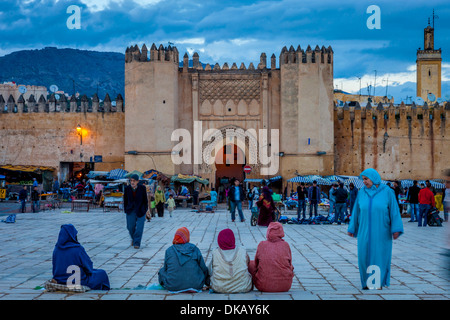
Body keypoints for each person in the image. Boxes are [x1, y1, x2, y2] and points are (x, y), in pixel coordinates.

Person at [347, 168, 404, 290]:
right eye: (363, 179)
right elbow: (356, 211)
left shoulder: (388, 192)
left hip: (381, 231)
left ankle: (377, 282)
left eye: (366, 179)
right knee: (363, 256)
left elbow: (394, 211)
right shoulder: (362, 192)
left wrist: (396, 229)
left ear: (373, 178)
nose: (364, 182)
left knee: (379, 256)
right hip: (364, 230)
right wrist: (352, 228)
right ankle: (366, 282)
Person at [52, 224, 110, 290]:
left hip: (60, 280)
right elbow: (88, 267)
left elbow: (55, 267)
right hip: (78, 281)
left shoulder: (56, 249)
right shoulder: (78, 249)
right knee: (101, 273)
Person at [158, 227, 209, 292]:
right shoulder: (194, 248)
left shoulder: (169, 250)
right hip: (196, 285)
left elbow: (166, 269)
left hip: (172, 285)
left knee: (161, 271)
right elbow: (203, 268)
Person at [248, 222, 294, 292]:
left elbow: (256, 264)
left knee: (250, 264)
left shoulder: (262, 245)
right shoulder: (285, 245)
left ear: (268, 232)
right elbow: (289, 263)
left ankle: (250, 285)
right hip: (285, 286)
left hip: (263, 286)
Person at [208, 229, 252, 293]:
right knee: (251, 265)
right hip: (243, 287)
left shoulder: (215, 252)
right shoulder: (243, 251)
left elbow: (209, 271)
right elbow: (247, 264)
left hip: (219, 287)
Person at [123, 174, 148, 249]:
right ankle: (134, 239)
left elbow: (145, 200)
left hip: (141, 210)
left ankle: (137, 243)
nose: (132, 182)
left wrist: (145, 209)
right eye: (131, 181)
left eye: (134, 181)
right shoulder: (127, 188)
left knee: (139, 227)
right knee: (130, 227)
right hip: (130, 210)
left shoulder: (142, 188)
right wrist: (126, 209)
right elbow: (125, 200)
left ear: (137, 181)